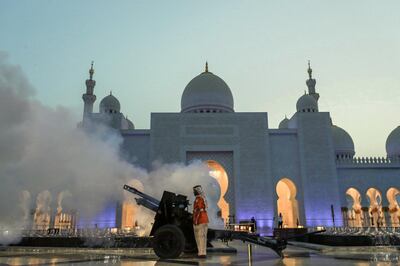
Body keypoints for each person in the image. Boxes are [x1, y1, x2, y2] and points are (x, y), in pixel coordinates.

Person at [193, 185, 209, 258]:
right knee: (201, 237)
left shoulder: (199, 199)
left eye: (194, 190)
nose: (193, 192)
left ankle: (202, 253)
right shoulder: (202, 198)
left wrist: (195, 221)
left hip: (200, 219)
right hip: (202, 219)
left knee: (200, 237)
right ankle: (201, 252)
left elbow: (199, 210)